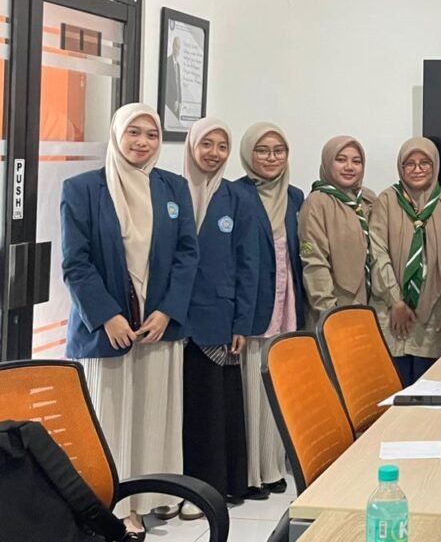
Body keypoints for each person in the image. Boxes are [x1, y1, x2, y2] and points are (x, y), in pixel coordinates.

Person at [60, 103, 198, 538]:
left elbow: (187, 255)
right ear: (116, 135)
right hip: (106, 331)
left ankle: (153, 496)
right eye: (133, 132)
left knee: (153, 416)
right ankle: (116, 507)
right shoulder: (82, 189)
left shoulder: (173, 187)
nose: (143, 142)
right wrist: (107, 317)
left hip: (158, 327)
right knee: (109, 420)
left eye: (151, 134)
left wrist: (167, 310)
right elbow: (76, 262)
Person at [180, 119, 259, 518]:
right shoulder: (171, 190)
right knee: (179, 409)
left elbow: (249, 264)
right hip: (171, 320)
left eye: (222, 146)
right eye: (206, 144)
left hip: (218, 319)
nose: (213, 152)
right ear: (191, 146)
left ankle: (209, 489)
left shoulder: (237, 198)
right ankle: (170, 487)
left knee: (212, 409)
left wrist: (242, 322)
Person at [369, 138, 441, 386]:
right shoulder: (386, 201)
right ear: (400, 167)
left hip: (437, 315)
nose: (417, 169)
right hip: (394, 313)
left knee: (432, 388)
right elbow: (377, 252)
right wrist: (395, 301)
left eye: (424, 163)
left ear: (435, 166)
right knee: (393, 386)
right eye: (410, 164)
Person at [236, 123, 304, 500]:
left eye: (279, 150)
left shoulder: (295, 196)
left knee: (280, 387)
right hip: (254, 309)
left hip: (288, 305)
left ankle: (276, 466)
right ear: (249, 154)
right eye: (262, 150)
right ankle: (252, 473)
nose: (272, 157)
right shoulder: (235, 194)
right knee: (252, 394)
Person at [299, 136, 377, 326]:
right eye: (341, 160)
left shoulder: (368, 200)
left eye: (356, 161)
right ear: (327, 162)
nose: (349, 167)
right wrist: (330, 313)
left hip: (369, 307)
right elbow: (314, 262)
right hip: (335, 309)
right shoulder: (317, 203)